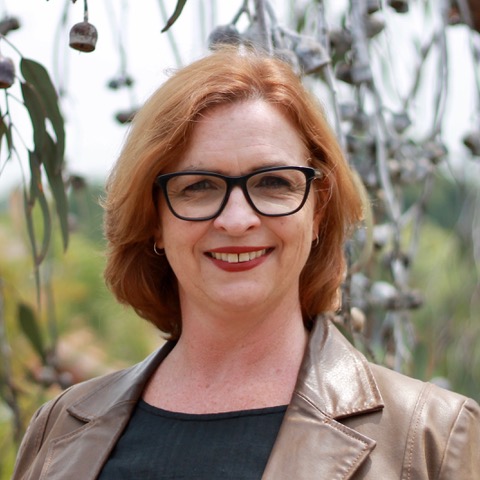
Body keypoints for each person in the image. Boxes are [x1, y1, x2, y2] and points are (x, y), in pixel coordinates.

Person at [13, 46, 480, 480]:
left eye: (273, 182)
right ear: (153, 219)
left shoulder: (431, 438)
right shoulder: (59, 431)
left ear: (317, 210)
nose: (237, 220)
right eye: (198, 186)